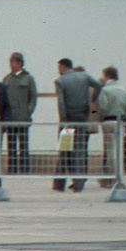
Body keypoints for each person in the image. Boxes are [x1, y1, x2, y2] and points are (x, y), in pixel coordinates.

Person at [51, 59, 98, 192]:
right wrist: (92, 104)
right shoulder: (86, 80)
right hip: (83, 120)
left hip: (68, 120)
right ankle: (79, 182)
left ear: (62, 67)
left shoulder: (61, 81)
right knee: (80, 151)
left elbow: (61, 103)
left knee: (64, 150)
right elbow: (98, 89)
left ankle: (59, 183)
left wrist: (63, 120)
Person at [95, 66, 126, 187]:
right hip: (120, 122)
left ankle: (111, 178)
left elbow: (102, 107)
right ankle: (121, 176)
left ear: (107, 76)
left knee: (110, 152)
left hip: (108, 121)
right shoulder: (123, 90)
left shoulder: (105, 90)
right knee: (119, 151)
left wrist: (99, 118)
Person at [0, 53, 36, 177]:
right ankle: (12, 169)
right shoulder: (7, 79)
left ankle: (25, 169)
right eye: (10, 62)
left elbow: (33, 97)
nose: (11, 65)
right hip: (10, 118)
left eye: (13, 62)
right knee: (11, 145)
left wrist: (28, 112)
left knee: (24, 145)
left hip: (23, 118)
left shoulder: (28, 78)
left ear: (20, 63)